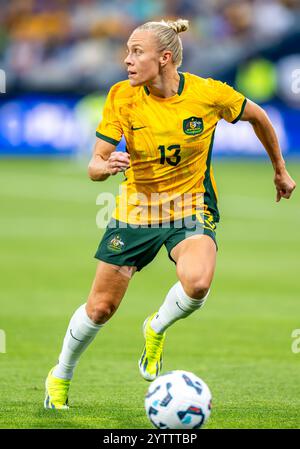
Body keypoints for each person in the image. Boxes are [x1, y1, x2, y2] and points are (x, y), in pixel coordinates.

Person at [44, 19, 296, 410]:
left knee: (197, 284)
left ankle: (156, 327)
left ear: (164, 58)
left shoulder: (208, 94)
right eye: (127, 51)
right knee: (100, 308)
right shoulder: (122, 97)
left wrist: (279, 169)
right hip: (137, 210)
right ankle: (61, 373)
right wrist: (104, 166)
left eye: (136, 52)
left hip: (191, 206)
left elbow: (259, 117)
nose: (127, 60)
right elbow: (95, 162)